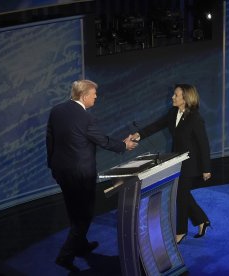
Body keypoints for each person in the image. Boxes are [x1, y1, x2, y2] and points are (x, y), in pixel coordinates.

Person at [46, 79, 137, 272]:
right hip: (81, 175)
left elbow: (50, 139)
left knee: (73, 209)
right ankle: (65, 256)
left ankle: (81, 245)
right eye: (94, 94)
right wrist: (124, 145)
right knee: (84, 216)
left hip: (61, 171)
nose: (96, 97)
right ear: (84, 95)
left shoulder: (57, 111)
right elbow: (102, 140)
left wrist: (52, 166)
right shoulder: (86, 118)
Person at [131, 84, 212, 244]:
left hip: (191, 164)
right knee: (182, 194)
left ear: (185, 98)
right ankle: (202, 220)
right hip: (177, 161)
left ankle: (181, 231)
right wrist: (139, 135)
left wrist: (206, 168)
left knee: (180, 196)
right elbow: (156, 125)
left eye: (176, 95)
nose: (172, 97)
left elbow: (204, 144)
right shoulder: (173, 112)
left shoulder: (195, 118)